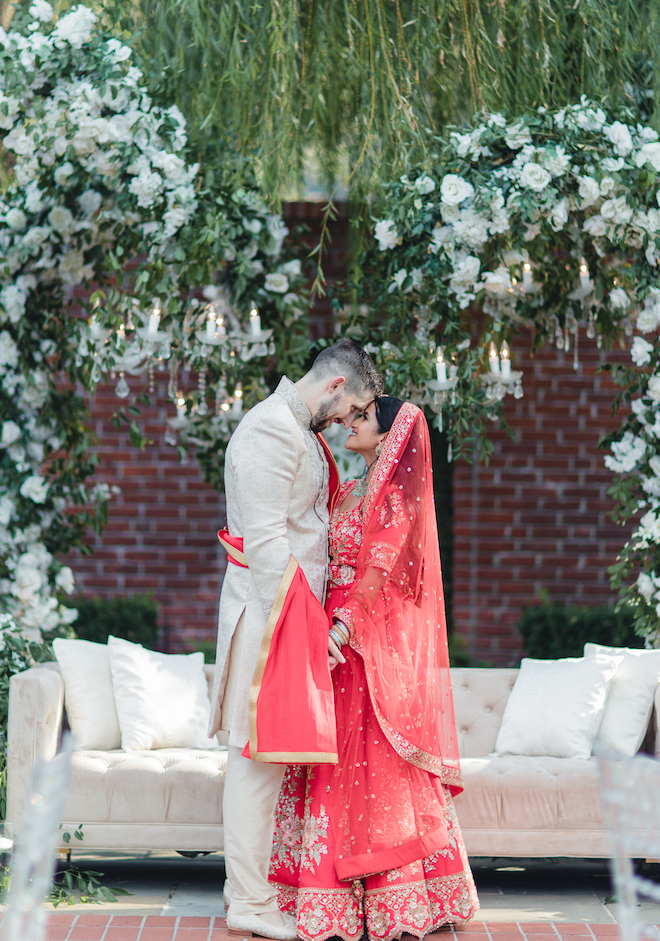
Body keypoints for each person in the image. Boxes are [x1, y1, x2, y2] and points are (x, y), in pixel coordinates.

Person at [269, 397, 479, 941]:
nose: (350, 424)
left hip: (360, 648)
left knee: (368, 768)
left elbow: (377, 578)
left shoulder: (393, 503)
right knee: (326, 761)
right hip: (329, 636)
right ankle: (324, 898)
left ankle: (392, 902)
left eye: (360, 417)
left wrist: (338, 631)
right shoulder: (349, 490)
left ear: (387, 436)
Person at [208, 339, 383, 941]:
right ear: (335, 386)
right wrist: (311, 630)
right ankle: (249, 906)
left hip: (288, 614)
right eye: (353, 407)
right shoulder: (267, 431)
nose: (348, 422)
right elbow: (265, 549)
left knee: (267, 764)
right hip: (269, 618)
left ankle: (250, 896)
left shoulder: (297, 429)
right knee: (255, 765)